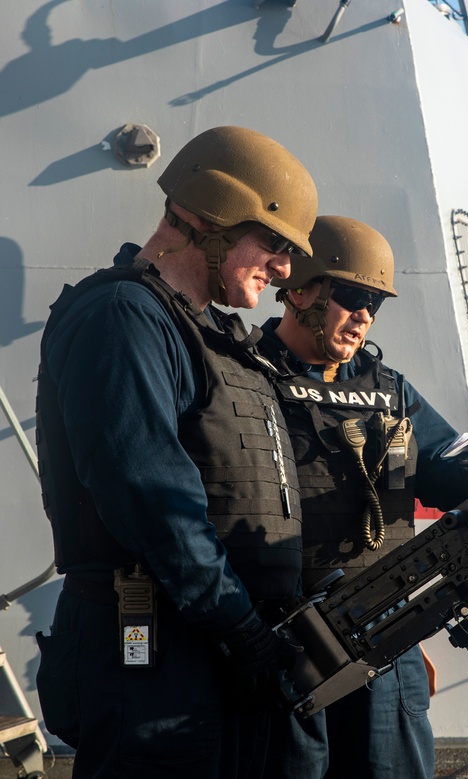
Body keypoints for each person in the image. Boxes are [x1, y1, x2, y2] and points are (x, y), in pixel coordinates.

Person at [34, 125, 319, 778]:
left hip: (219, 644)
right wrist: (239, 627)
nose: (283, 268)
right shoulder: (122, 316)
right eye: (274, 243)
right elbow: (148, 495)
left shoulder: (217, 338)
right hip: (149, 647)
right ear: (211, 217)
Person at [258, 215, 468, 779]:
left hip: (386, 631)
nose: (365, 314)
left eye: (375, 302)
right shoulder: (249, 378)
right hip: (289, 636)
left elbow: (440, 469)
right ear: (298, 291)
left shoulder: (387, 387)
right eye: (351, 296)